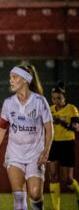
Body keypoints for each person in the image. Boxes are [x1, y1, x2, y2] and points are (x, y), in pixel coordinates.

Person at [0, 65, 54, 210]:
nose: (10, 80)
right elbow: (1, 130)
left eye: (14, 77)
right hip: (15, 154)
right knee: (18, 196)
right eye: (10, 77)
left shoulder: (40, 102)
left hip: (35, 154)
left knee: (35, 194)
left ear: (25, 80)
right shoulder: (9, 103)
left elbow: (49, 129)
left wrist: (46, 150)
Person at [48, 81, 79, 210]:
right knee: (53, 176)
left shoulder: (72, 109)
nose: (56, 101)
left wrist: (61, 122)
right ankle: (56, 208)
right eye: (54, 98)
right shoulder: (49, 109)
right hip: (53, 144)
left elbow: (76, 127)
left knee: (68, 179)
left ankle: (78, 193)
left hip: (67, 144)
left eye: (59, 98)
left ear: (64, 98)